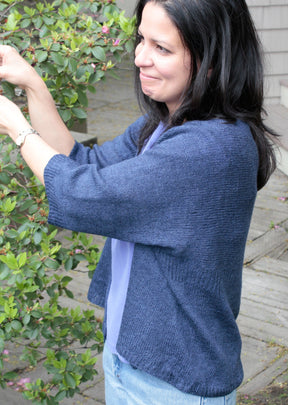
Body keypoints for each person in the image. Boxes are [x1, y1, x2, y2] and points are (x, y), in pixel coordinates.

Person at [0, 0, 278, 404]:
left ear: (211, 59)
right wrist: (31, 83)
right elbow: (81, 163)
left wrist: (15, 127)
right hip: (131, 358)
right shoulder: (165, 123)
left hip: (172, 381)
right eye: (140, 39)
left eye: (161, 48)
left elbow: (81, 194)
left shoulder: (210, 147)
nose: (139, 58)